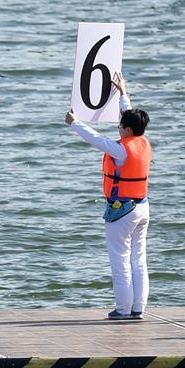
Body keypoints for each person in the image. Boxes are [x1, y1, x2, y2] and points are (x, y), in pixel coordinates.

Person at [65, 72, 151, 320]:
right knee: (139, 260)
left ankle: (123, 309)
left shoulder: (120, 150)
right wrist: (123, 92)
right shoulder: (142, 140)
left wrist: (74, 122)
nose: (118, 129)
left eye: (120, 126)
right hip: (142, 208)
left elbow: (96, 139)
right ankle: (138, 309)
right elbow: (131, 115)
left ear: (126, 130)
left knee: (120, 261)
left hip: (122, 211)